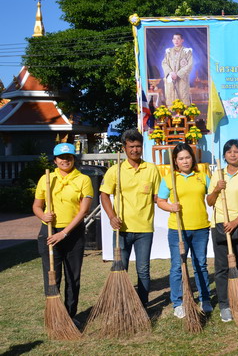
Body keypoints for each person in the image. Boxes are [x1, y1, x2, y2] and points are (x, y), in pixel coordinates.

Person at [100, 128, 161, 306]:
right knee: (120, 269)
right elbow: (104, 195)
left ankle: (143, 306)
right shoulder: (115, 170)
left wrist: (170, 202)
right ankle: (121, 305)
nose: (135, 150)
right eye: (131, 146)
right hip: (122, 229)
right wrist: (111, 216)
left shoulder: (151, 169)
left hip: (144, 229)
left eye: (138, 146)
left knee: (143, 270)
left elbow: (158, 197)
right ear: (124, 148)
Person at [33, 143, 93, 323]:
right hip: (49, 232)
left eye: (69, 157)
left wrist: (64, 233)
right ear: (55, 160)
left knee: (73, 277)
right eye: (61, 157)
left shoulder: (83, 179)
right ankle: (55, 317)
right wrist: (43, 215)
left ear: (74, 159)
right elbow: (37, 206)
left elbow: (84, 211)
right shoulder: (46, 179)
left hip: (72, 233)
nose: (65, 161)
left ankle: (70, 316)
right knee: (52, 276)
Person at [157, 143, 212, 318]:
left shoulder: (202, 177)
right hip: (178, 229)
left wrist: (217, 189)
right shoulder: (169, 179)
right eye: (181, 158)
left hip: (201, 228)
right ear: (175, 161)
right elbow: (160, 201)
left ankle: (205, 299)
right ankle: (178, 302)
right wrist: (171, 207)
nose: (185, 161)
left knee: (200, 265)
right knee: (177, 266)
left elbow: (212, 197)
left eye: (188, 157)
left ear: (192, 159)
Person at [206, 139, 238, 323]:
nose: (233, 154)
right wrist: (216, 189)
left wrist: (236, 221)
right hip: (221, 225)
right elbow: (209, 201)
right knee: (221, 267)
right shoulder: (217, 174)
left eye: (236, 151)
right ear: (225, 155)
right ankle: (225, 305)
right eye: (229, 152)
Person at [162, 33, 193, 106]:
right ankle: (171, 112)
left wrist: (178, 74)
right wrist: (170, 72)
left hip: (182, 79)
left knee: (183, 97)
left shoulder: (187, 51)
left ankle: (185, 112)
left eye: (178, 38)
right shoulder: (169, 52)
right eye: (174, 39)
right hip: (171, 78)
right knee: (171, 97)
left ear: (182, 40)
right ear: (172, 40)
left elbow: (190, 65)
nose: (176, 41)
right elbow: (164, 63)